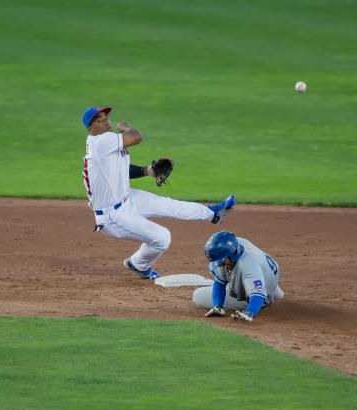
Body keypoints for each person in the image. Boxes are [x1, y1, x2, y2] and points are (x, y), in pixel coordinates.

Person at [81, 106, 236, 279]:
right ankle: (138, 264)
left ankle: (213, 213)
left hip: (126, 198)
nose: (106, 122)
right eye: (100, 120)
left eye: (106, 118)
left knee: (168, 205)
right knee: (162, 238)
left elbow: (121, 169)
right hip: (113, 216)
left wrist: (149, 170)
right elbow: (135, 137)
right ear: (90, 128)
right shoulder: (102, 141)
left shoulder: (103, 144)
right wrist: (125, 128)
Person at [193, 230, 284, 321]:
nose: (221, 265)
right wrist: (217, 306)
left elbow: (258, 294)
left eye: (223, 261)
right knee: (234, 274)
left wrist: (250, 312)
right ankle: (277, 293)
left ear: (233, 253)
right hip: (269, 274)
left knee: (198, 295)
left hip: (262, 297)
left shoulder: (248, 266)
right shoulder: (236, 244)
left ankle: (267, 299)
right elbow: (220, 282)